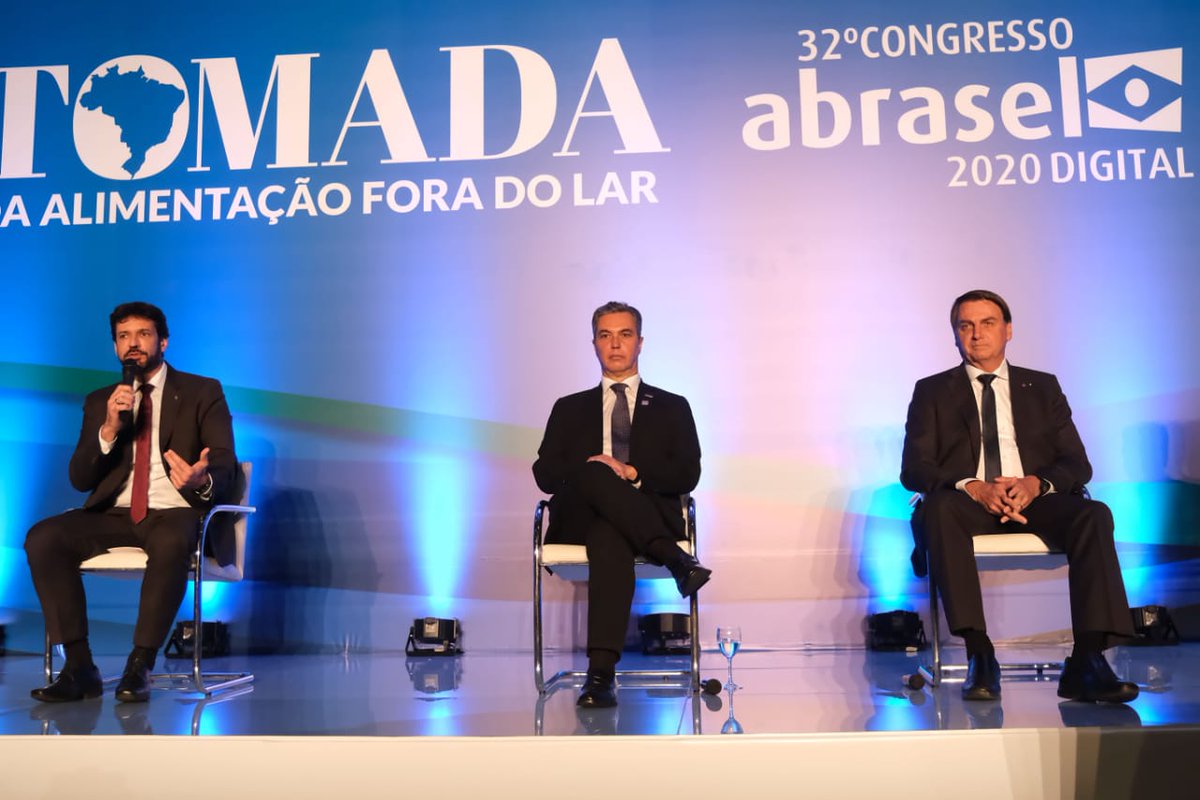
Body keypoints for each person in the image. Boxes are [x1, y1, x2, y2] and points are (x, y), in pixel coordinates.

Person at [901, 290, 1137, 703]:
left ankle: (1087, 660)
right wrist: (974, 486)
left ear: (1008, 330)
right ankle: (980, 653)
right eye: (965, 325)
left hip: (1033, 500)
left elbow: (1077, 464)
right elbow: (914, 469)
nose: (977, 334)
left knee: (1093, 514)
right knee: (937, 509)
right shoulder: (932, 391)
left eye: (987, 323)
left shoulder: (1042, 387)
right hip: (966, 504)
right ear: (955, 335)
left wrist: (1034, 484)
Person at [25, 301, 239, 703]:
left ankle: (140, 665)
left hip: (174, 510)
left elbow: (225, 463)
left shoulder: (202, 392)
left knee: (172, 539)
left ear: (163, 341)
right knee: (43, 537)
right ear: (115, 347)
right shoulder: (101, 401)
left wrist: (201, 479)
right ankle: (79, 668)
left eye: (143, 334)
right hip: (115, 513)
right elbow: (80, 479)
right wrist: (108, 429)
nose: (133, 344)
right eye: (123, 336)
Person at [533, 301, 711, 709]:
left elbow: (688, 474)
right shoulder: (568, 407)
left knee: (609, 535)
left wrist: (631, 473)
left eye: (625, 334)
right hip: (581, 518)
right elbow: (545, 475)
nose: (615, 344)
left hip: (633, 520)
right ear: (594, 344)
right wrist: (595, 468)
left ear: (640, 343)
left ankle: (600, 676)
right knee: (597, 471)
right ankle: (676, 560)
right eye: (605, 335)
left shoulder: (673, 406)